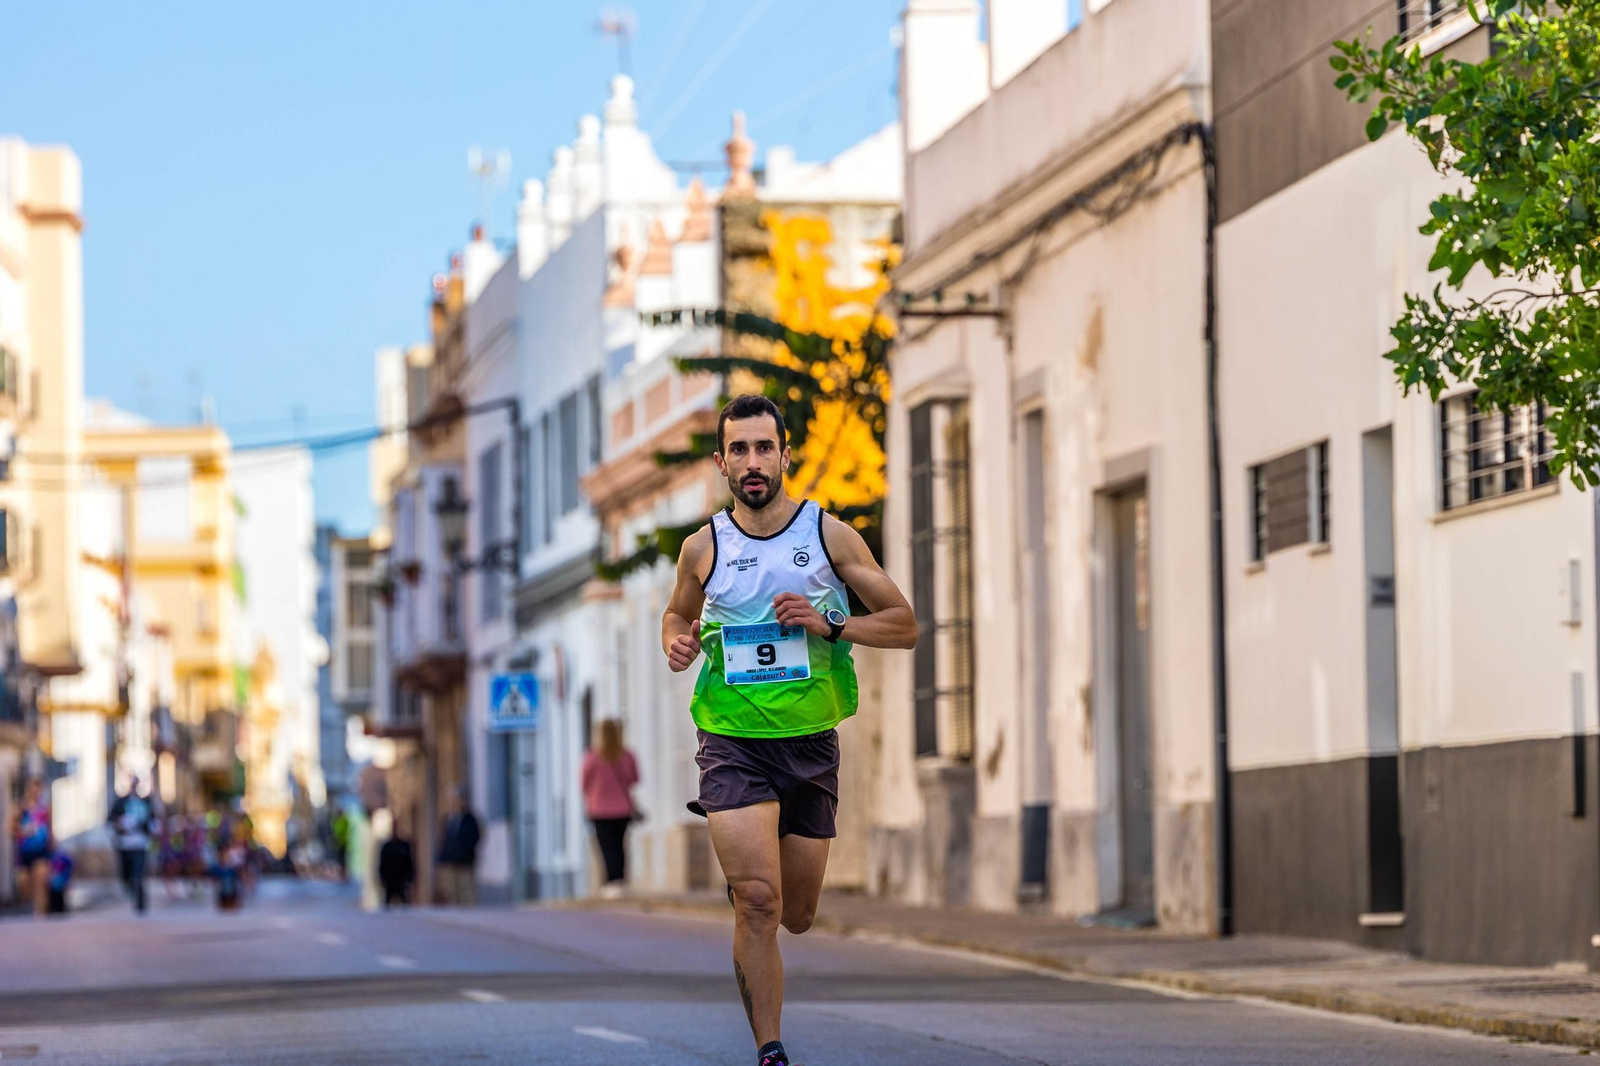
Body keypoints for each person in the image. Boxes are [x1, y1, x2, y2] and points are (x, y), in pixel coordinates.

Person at [661, 395, 918, 1066]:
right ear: (721, 463)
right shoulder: (703, 546)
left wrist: (831, 623)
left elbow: (904, 624)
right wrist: (677, 644)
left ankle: (760, 880)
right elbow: (675, 617)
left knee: (797, 913)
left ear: (785, 454)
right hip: (731, 739)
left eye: (763, 448)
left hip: (808, 744)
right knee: (757, 902)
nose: (752, 462)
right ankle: (770, 1049)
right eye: (738, 450)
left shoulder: (829, 537)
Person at [581, 718, 640, 897]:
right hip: (622, 809)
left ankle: (610, 882)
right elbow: (634, 779)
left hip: (599, 810)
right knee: (620, 845)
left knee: (606, 847)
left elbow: (583, 783)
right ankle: (620, 880)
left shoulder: (591, 757)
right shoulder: (627, 755)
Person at [107, 777, 154, 914]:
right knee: (125, 873)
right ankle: (131, 890)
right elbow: (110, 821)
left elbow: (152, 821)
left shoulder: (146, 802)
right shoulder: (120, 803)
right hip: (124, 844)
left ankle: (140, 902)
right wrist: (120, 825)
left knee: (138, 873)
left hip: (140, 844)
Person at [9, 778, 52, 918]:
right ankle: (30, 901)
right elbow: (10, 829)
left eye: (37, 790)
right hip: (24, 851)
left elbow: (50, 829)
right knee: (24, 884)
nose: (35, 793)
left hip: (41, 851)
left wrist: (52, 845)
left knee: (41, 881)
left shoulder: (45, 809)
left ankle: (40, 915)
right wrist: (23, 831)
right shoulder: (20, 809)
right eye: (32, 789)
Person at [436, 788, 480, 906]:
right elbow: (444, 840)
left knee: (466, 890)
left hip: (465, 861)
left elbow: (475, 837)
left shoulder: (469, 819)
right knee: (452, 892)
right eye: (453, 800)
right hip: (451, 860)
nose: (455, 803)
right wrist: (442, 858)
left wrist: (467, 851)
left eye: (458, 800)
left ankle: (470, 914)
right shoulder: (449, 819)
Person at [378, 823, 415, 908]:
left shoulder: (403, 846)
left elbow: (408, 862)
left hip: (401, 879)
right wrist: (382, 877)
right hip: (390, 879)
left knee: (403, 901)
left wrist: (410, 877)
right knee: (388, 903)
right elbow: (383, 863)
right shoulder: (387, 847)